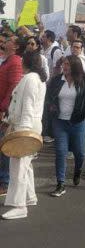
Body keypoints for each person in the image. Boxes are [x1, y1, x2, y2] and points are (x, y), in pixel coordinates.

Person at [1, 52, 47, 220]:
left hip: (25, 125)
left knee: (18, 166)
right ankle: (29, 196)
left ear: (25, 62)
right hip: (28, 124)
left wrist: (23, 133)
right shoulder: (36, 78)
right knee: (25, 165)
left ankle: (19, 206)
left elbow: (27, 106)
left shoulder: (30, 79)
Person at [45, 56, 85, 197]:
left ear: (75, 66)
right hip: (60, 122)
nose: (65, 66)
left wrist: (84, 114)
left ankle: (77, 171)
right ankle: (60, 183)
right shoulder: (57, 80)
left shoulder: (84, 81)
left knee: (80, 153)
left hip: (78, 123)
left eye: (68, 64)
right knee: (60, 152)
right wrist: (51, 107)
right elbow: (49, 97)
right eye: (64, 64)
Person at [0, 36, 23, 196]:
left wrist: (3, 108)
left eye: (9, 40)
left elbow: (13, 88)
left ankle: (5, 182)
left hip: (3, 111)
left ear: (14, 46)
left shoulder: (15, 61)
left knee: (3, 147)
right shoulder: (7, 60)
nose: (6, 40)